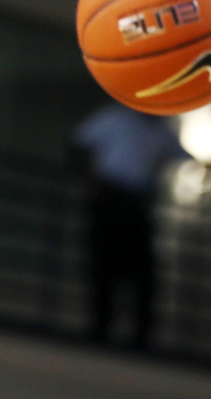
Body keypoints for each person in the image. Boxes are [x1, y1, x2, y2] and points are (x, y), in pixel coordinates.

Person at [72, 104, 188, 348]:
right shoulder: (115, 119)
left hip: (137, 205)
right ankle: (100, 329)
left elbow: (184, 155)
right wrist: (90, 182)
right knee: (103, 267)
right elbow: (78, 143)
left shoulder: (163, 131)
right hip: (110, 199)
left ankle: (140, 336)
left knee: (141, 272)